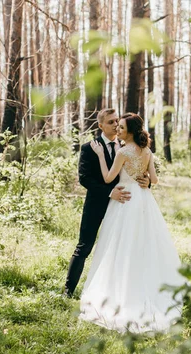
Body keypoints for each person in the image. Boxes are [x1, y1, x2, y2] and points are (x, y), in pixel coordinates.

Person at [79, 113, 186, 333]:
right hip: (144, 199)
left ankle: (122, 288)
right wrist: (145, 177)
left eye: (121, 128)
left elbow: (109, 178)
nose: (118, 129)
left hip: (124, 200)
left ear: (129, 132)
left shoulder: (122, 151)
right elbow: (154, 180)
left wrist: (101, 156)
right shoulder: (147, 151)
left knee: (121, 244)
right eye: (116, 126)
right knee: (145, 242)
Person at [64, 109, 149, 298]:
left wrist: (147, 180)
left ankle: (116, 291)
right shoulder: (89, 147)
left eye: (117, 121)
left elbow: (138, 170)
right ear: (100, 125)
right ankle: (68, 290)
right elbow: (85, 179)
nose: (115, 125)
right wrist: (110, 193)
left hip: (123, 205)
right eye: (110, 122)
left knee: (121, 247)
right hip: (97, 203)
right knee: (84, 246)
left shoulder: (127, 145)